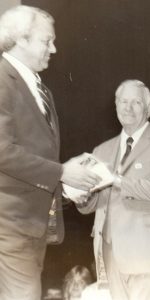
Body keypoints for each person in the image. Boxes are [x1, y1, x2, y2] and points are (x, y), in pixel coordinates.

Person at [0, 5, 100, 300]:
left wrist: (66, 185)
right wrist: (62, 172)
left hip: (31, 225)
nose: (54, 49)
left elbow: (30, 157)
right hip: (11, 223)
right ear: (21, 39)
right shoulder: (2, 80)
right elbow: (2, 150)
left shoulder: (38, 87)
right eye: (47, 41)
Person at [77, 79, 150, 300]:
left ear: (149, 108)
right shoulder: (102, 150)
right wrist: (81, 196)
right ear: (116, 106)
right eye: (123, 101)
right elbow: (94, 203)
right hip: (112, 258)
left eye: (136, 102)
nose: (128, 107)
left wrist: (117, 180)